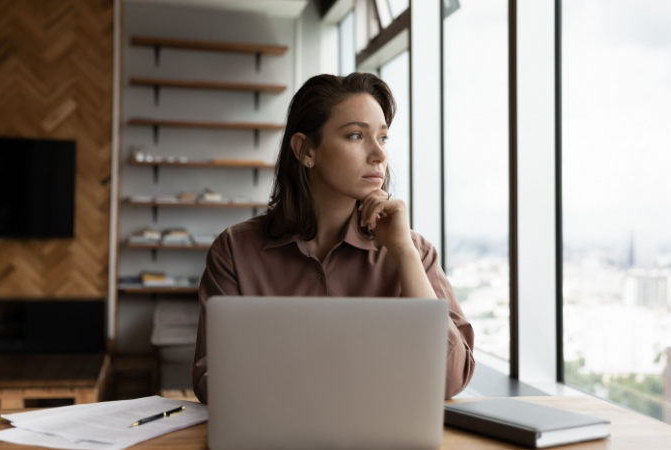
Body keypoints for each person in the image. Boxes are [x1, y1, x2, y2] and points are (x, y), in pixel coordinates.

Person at [192, 73, 475, 403]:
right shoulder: (234, 250)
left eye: (382, 138)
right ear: (306, 150)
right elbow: (211, 378)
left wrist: (402, 251)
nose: (379, 155)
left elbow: (451, 379)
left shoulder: (414, 251)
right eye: (356, 135)